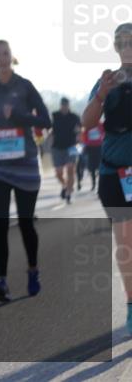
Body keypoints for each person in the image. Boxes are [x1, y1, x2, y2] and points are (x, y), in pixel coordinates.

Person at [0, 40, 51, 302]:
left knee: (24, 222)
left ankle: (33, 270)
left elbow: (45, 120)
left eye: (5, 53)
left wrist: (20, 115)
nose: (2, 57)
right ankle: (1, 281)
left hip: (25, 162)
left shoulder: (25, 86)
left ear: (11, 56)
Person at [83, 23, 132, 334]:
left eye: (131, 40)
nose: (126, 46)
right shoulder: (108, 81)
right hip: (115, 172)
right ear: (115, 47)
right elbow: (88, 123)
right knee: (126, 243)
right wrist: (102, 93)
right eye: (121, 41)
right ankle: (131, 306)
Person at [48, 97, 82, 203]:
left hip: (72, 146)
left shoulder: (74, 117)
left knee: (70, 168)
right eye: (62, 105)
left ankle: (68, 194)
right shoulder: (54, 115)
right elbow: (49, 129)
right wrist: (49, 140)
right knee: (58, 173)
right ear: (60, 105)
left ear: (68, 105)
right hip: (57, 147)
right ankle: (65, 185)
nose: (64, 107)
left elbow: (80, 129)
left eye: (66, 105)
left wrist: (78, 136)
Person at [79, 121, 105, 191]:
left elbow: (104, 134)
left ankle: (101, 184)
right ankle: (93, 184)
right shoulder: (88, 126)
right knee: (91, 167)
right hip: (90, 148)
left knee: (100, 167)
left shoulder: (101, 125)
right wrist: (85, 145)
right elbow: (84, 136)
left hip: (99, 147)